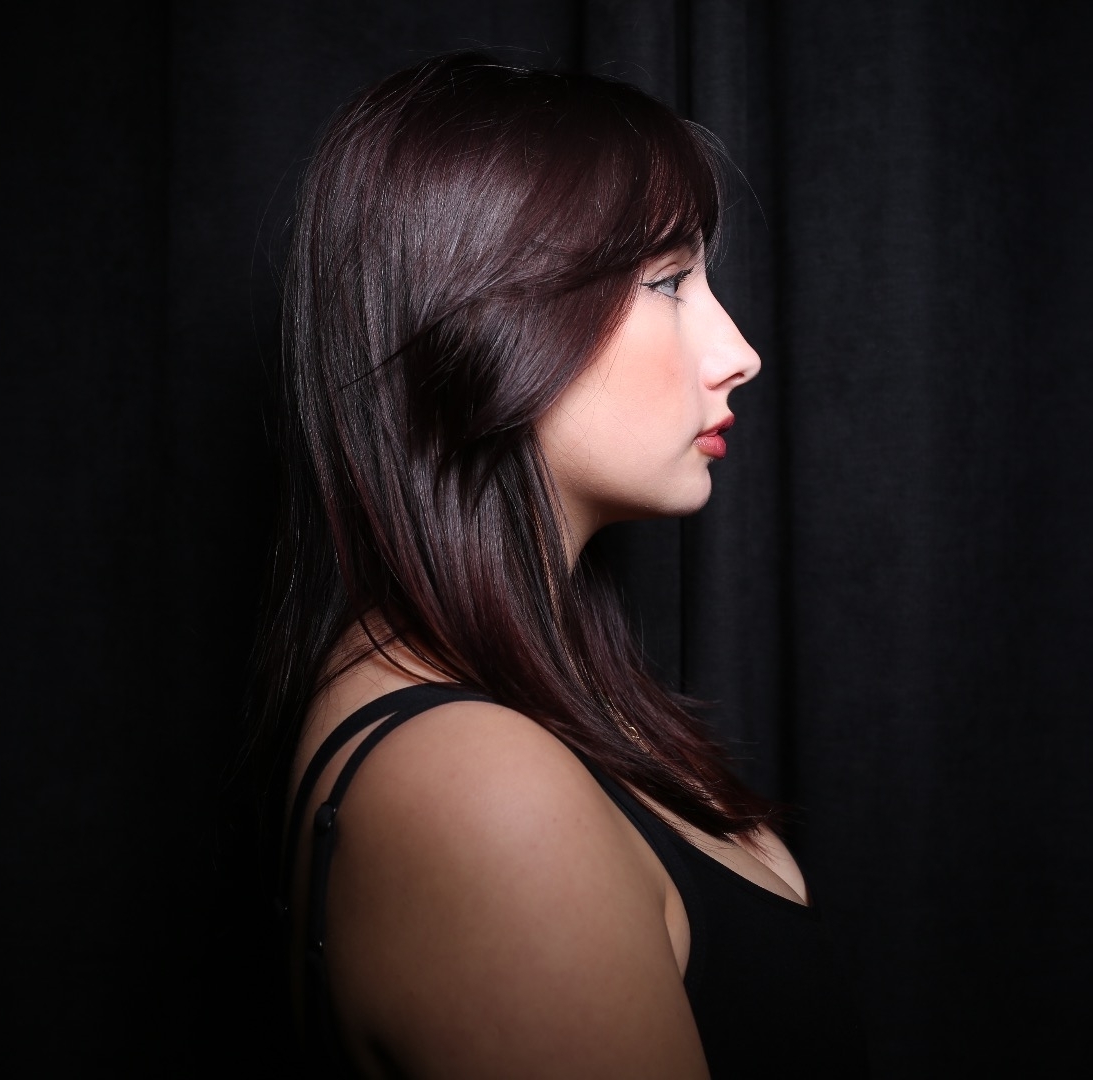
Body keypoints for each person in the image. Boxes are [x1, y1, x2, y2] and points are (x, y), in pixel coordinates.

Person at [244, 51, 868, 1078]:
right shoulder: (475, 784)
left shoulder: (521, 694)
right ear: (482, 316)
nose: (739, 352)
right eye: (668, 282)